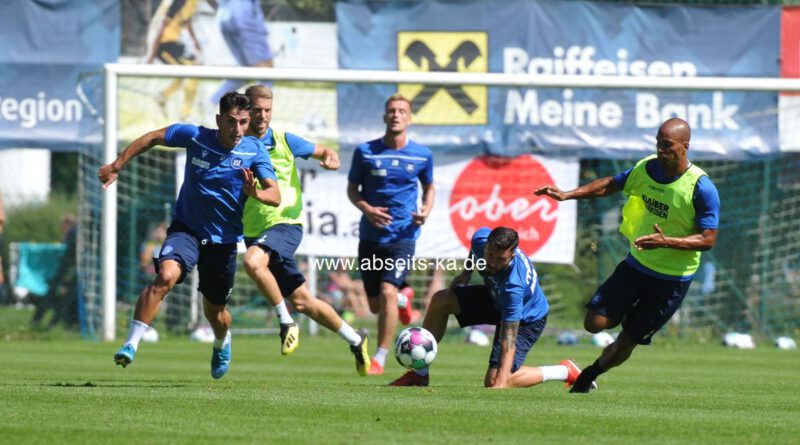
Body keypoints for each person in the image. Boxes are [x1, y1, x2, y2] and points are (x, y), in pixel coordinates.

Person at [99, 92, 280, 379]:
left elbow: (275, 195)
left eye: (243, 122)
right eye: (231, 121)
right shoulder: (195, 137)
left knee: (216, 314)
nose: (237, 129)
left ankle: (222, 340)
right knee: (165, 276)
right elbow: (152, 138)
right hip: (187, 229)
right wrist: (117, 165)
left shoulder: (254, 150)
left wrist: (255, 192)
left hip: (223, 241)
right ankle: (131, 344)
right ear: (219, 119)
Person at [534, 117, 720, 393]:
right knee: (594, 323)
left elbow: (708, 239)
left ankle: (588, 375)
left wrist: (666, 242)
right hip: (636, 266)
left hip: (671, 281)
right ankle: (629, 313)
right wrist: (568, 195)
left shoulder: (701, 188)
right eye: (658, 143)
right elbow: (611, 184)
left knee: (627, 341)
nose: (660, 149)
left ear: (685, 146)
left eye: (667, 144)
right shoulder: (646, 168)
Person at [240, 84, 370, 376]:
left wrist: (330, 156)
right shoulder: (236, 144)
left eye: (267, 110)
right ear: (247, 110)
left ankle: (285, 322)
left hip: (286, 224)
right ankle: (355, 339)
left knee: (252, 261)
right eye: (257, 110)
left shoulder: (285, 140)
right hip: (254, 231)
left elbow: (322, 150)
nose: (263, 116)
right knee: (303, 301)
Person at [389, 226, 590, 389]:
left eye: (500, 259)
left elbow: (509, 339)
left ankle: (564, 371)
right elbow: (475, 248)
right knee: (442, 300)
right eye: (489, 255)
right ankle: (419, 374)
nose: (491, 263)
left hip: (527, 319)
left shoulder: (514, 286)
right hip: (496, 298)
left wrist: (500, 384)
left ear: (512, 255)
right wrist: (466, 273)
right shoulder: (481, 241)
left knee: (495, 381)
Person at [347, 94, 435, 375]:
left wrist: (426, 210)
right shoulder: (365, 151)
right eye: (392, 111)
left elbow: (429, 188)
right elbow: (352, 189)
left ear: (409, 118)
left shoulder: (422, 154)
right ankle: (403, 298)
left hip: (403, 237)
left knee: (387, 291)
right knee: (375, 306)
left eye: (402, 111)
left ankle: (380, 358)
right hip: (370, 238)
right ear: (384, 116)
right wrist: (367, 209)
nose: (396, 115)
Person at [210, 0, 274, 105]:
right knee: (267, 71)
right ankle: (260, 112)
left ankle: (211, 102)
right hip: (244, 15)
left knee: (246, 70)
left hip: (224, 16)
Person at [146, 0, 202, 121]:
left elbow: (187, 21)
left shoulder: (193, 4)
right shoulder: (178, 3)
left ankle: (163, 96)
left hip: (176, 45)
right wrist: (151, 56)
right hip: (165, 46)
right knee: (191, 73)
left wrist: (195, 41)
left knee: (189, 74)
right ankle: (185, 115)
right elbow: (162, 27)